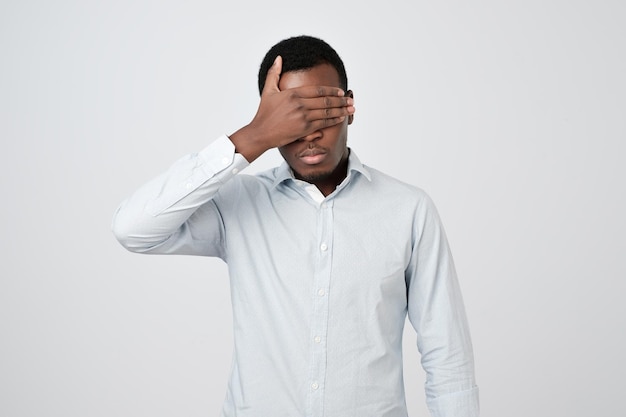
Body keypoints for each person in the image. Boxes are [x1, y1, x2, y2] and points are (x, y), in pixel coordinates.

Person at [112, 35, 479, 417]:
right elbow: (132, 228)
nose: (309, 134)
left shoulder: (409, 210)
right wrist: (254, 135)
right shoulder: (238, 204)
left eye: (322, 113)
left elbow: (448, 356)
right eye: (291, 119)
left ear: (349, 107)